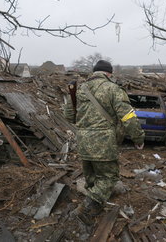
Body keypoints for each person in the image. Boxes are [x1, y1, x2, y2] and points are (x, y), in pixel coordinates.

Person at [64, 60, 145, 225]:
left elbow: (69, 117)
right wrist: (138, 138)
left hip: (83, 142)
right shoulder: (113, 89)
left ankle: (96, 206)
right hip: (103, 142)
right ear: (109, 73)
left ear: (94, 72)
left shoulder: (79, 90)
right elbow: (128, 117)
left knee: (91, 176)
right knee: (109, 177)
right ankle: (85, 209)